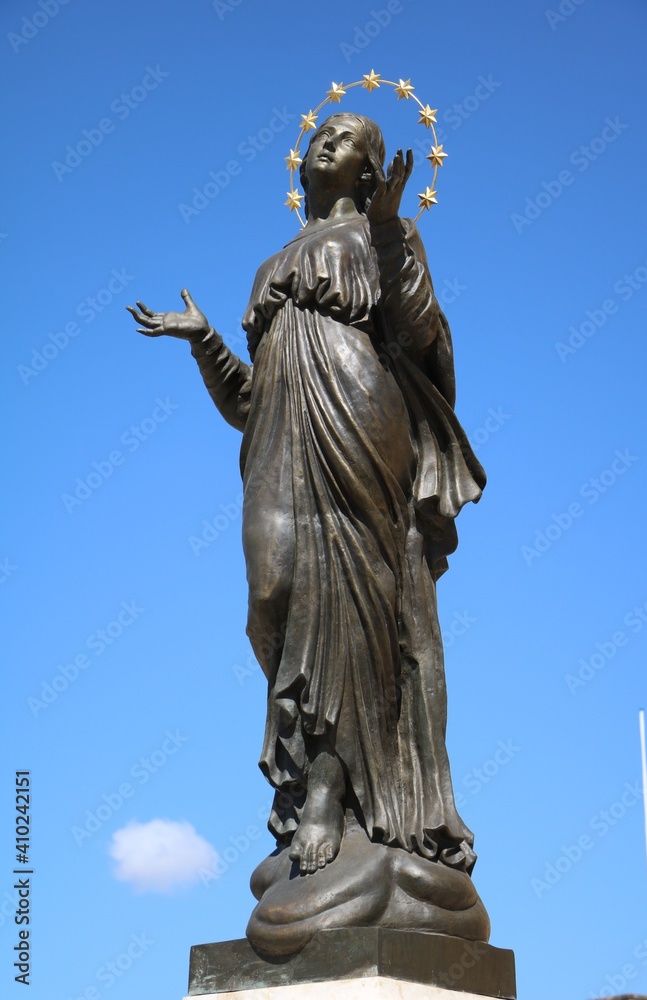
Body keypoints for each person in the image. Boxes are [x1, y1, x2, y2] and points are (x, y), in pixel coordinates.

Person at [128, 112, 486, 881]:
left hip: (360, 423)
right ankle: (320, 774)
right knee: (274, 593)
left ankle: (329, 793)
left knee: (347, 601)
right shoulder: (270, 265)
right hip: (279, 445)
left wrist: (389, 230)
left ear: (370, 168)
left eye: (350, 137)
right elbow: (250, 404)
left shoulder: (386, 237)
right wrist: (204, 342)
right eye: (323, 130)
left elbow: (420, 333)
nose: (329, 140)